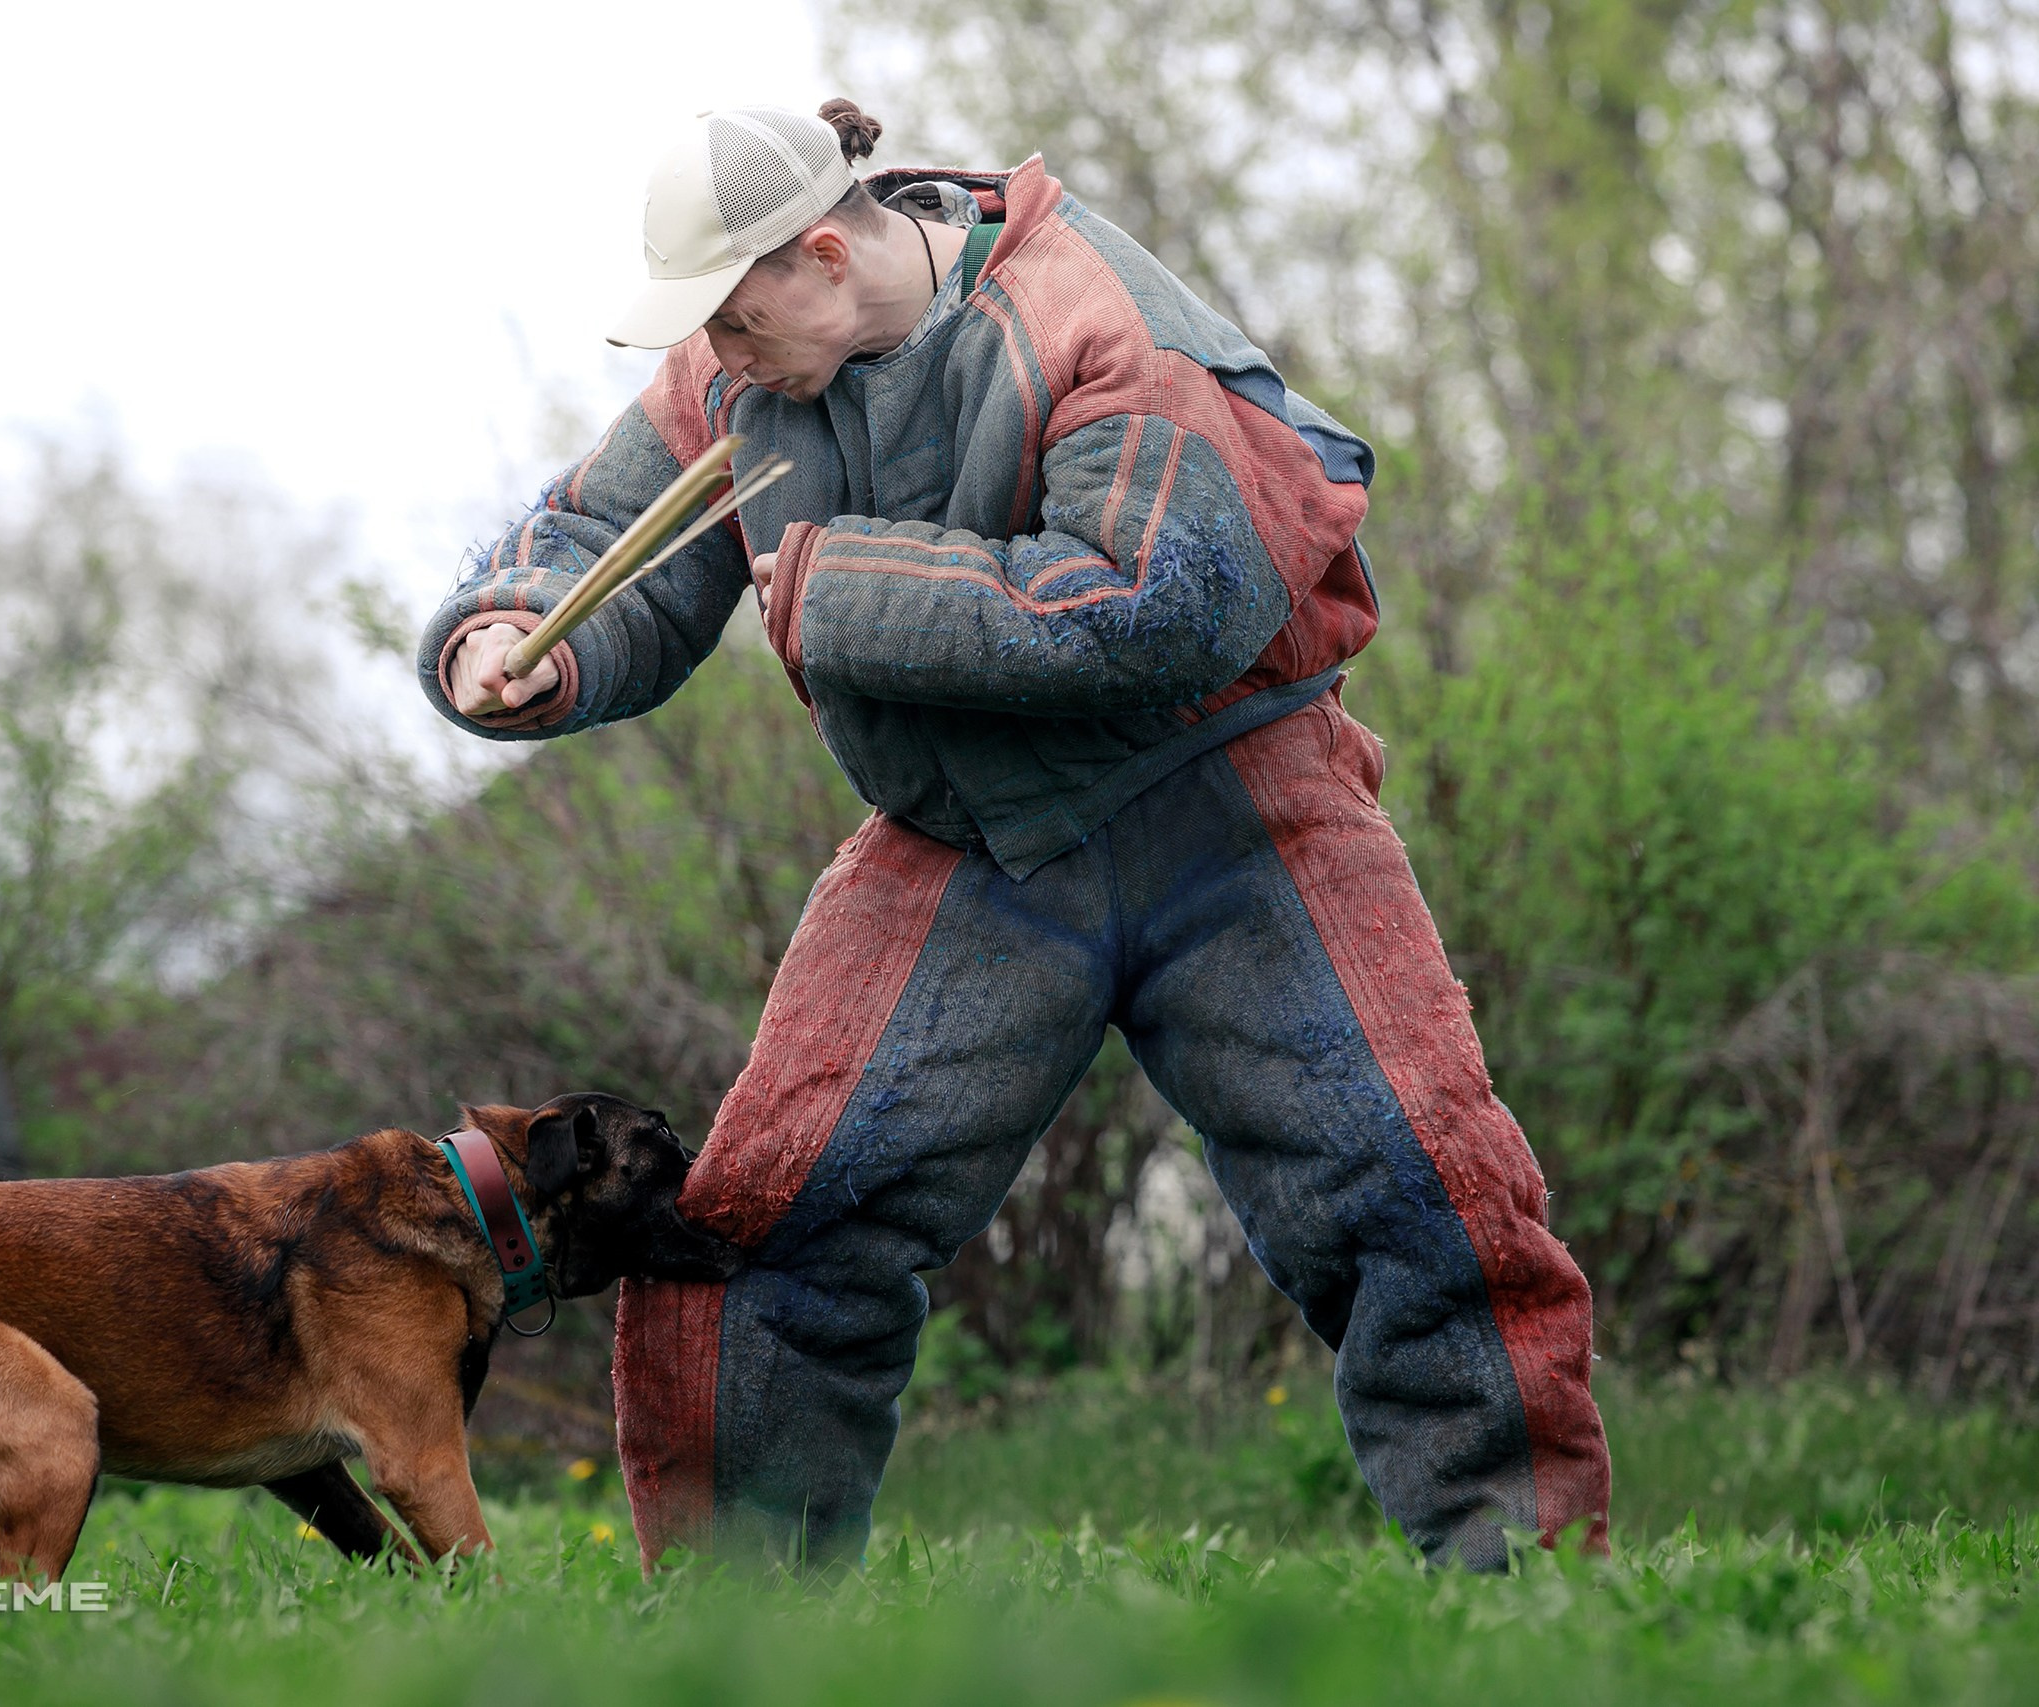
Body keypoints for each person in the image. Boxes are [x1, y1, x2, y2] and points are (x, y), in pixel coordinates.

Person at [419, 99, 1610, 1571]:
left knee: (1412, 1181)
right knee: (764, 1220)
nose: (714, 357)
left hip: (1236, 804)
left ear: (827, 254)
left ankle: (1531, 1589)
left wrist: (835, 586)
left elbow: (1162, 605)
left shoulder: (1096, 319)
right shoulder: (733, 375)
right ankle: (735, 1632)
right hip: (963, 838)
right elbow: (610, 540)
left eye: (732, 316)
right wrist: (516, 634)